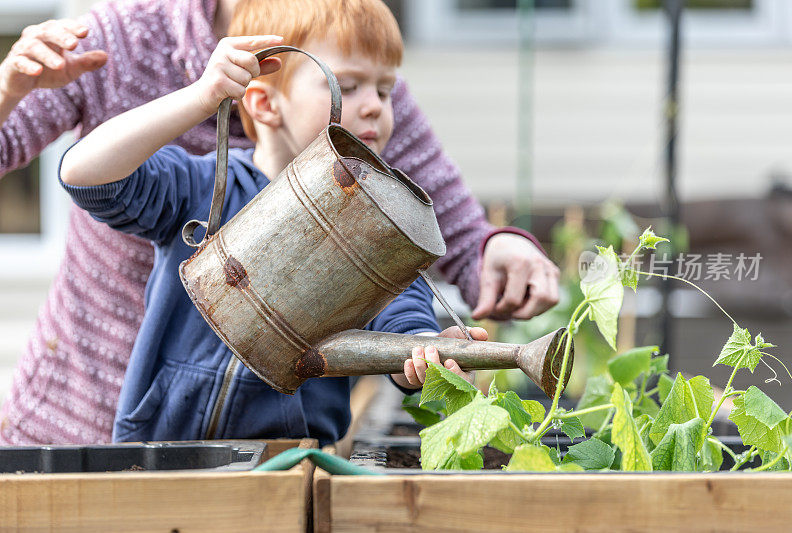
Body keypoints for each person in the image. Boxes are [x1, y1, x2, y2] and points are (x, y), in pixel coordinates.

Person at [0, 0, 557, 445]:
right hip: (114, 436)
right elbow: (85, 173)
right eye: (353, 87)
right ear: (263, 101)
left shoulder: (374, 224)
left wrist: (427, 350)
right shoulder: (198, 185)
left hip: (282, 469)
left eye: (384, 91)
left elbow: (416, 295)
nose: (376, 108)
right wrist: (202, 97)